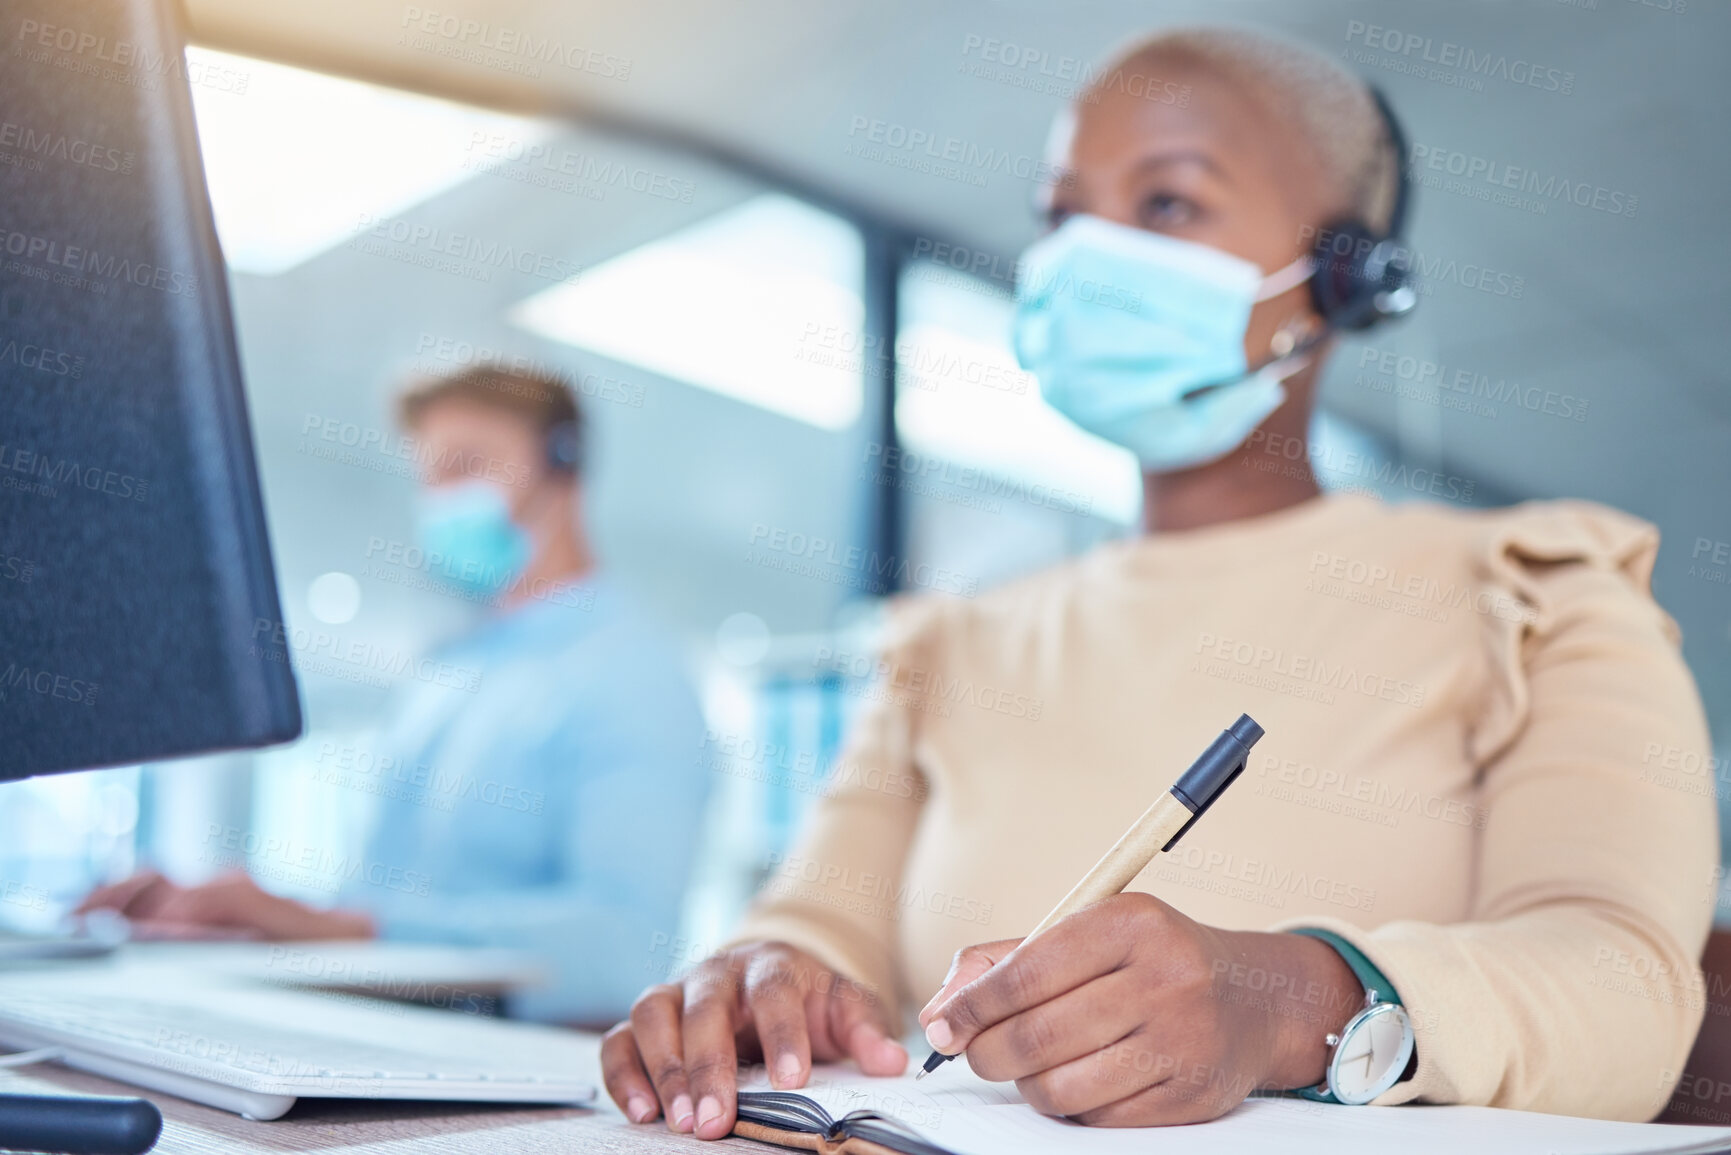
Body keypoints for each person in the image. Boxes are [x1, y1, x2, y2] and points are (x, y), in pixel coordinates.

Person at [598, 24, 1716, 1136]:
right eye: (1062, 214)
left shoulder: (1538, 592)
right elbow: (812, 927)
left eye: (1169, 204)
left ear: (1346, 278)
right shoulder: (946, 648)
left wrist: (1293, 1006)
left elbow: (1624, 983)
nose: (1088, 256)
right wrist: (760, 981)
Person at [80, 364, 711, 1025]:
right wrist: (245, 916)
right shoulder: (446, 670)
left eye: (466, 465)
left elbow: (623, 952)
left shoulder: (634, 671)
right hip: (374, 1029)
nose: (442, 498)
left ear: (562, 469)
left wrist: (341, 929)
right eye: (429, 477)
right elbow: (377, 903)